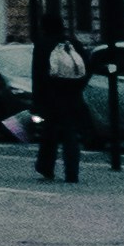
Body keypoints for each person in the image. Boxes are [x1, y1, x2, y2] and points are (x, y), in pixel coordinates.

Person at [37, 21, 91, 183]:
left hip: (52, 98)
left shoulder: (43, 45)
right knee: (71, 135)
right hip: (73, 98)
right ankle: (72, 172)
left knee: (49, 133)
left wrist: (38, 101)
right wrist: (77, 89)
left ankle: (46, 167)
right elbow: (85, 69)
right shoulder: (74, 44)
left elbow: (38, 75)